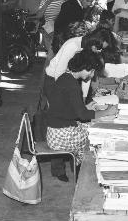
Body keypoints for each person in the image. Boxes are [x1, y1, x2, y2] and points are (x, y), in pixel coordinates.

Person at [45, 51, 108, 180]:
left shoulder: (64, 77)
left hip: (54, 132)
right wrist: (107, 112)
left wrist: (84, 107)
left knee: (88, 128)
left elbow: (65, 109)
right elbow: (83, 115)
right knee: (97, 136)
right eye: (91, 71)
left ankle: (78, 169)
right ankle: (84, 175)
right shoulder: (72, 85)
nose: (92, 75)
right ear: (84, 68)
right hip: (61, 135)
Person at [36, 0, 64, 66]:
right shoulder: (44, 1)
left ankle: (48, 73)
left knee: (52, 54)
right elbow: (39, 15)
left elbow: (63, 18)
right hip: (47, 31)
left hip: (57, 30)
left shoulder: (61, 3)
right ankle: (51, 72)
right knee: (51, 53)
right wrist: (47, 3)